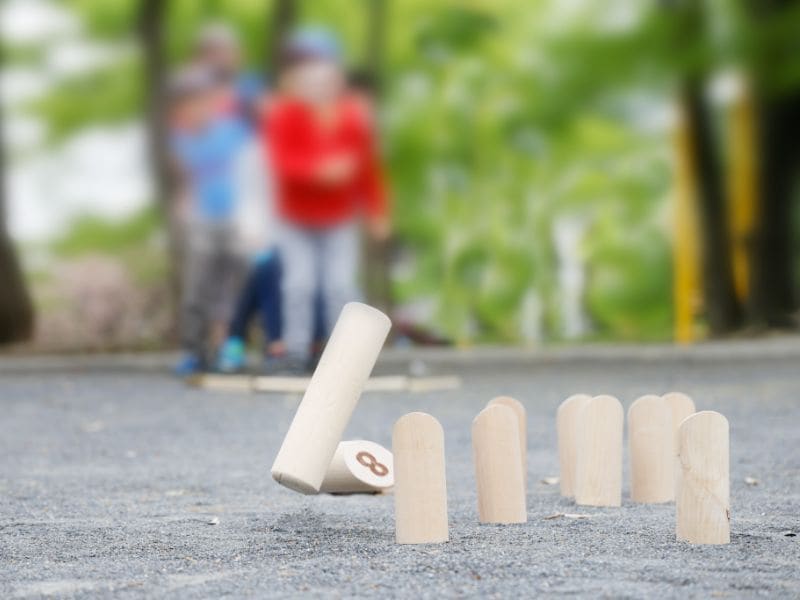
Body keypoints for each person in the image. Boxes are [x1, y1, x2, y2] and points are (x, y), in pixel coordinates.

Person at [262, 27, 390, 373]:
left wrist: (378, 212)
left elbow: (368, 169)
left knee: (341, 286)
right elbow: (281, 163)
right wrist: (319, 172)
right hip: (296, 217)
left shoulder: (353, 118)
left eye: (325, 80)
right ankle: (296, 351)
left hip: (338, 217)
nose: (318, 88)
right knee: (299, 283)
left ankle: (347, 356)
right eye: (310, 81)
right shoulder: (285, 115)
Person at [169, 66, 250, 375]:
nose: (196, 107)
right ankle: (195, 351)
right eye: (189, 101)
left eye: (202, 100)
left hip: (236, 220)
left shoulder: (234, 131)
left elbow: (252, 174)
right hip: (203, 221)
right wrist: (183, 208)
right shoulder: (180, 139)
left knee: (233, 291)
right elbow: (185, 181)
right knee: (198, 288)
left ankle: (230, 350)